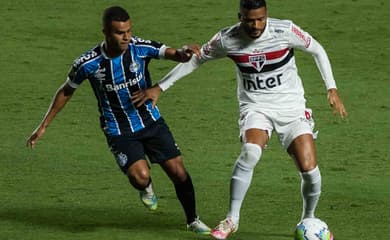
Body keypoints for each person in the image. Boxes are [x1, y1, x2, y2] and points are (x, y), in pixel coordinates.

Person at [131, 0, 348, 239]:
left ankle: (309, 218)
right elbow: (196, 59)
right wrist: (160, 87)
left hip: (291, 108)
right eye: (249, 20)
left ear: (266, 15)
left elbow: (316, 48)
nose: (255, 25)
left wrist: (332, 89)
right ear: (240, 17)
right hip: (255, 107)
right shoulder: (227, 38)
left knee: (309, 169)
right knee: (250, 152)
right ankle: (232, 219)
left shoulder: (284, 30)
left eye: (260, 19)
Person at [26, 6, 211, 235]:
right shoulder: (88, 63)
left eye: (129, 31)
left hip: (150, 121)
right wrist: (43, 125)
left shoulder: (139, 48)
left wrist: (184, 52)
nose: (126, 37)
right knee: (140, 177)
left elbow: (172, 53)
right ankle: (146, 188)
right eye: (120, 33)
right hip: (118, 130)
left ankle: (192, 219)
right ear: (105, 32)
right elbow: (66, 91)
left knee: (179, 172)